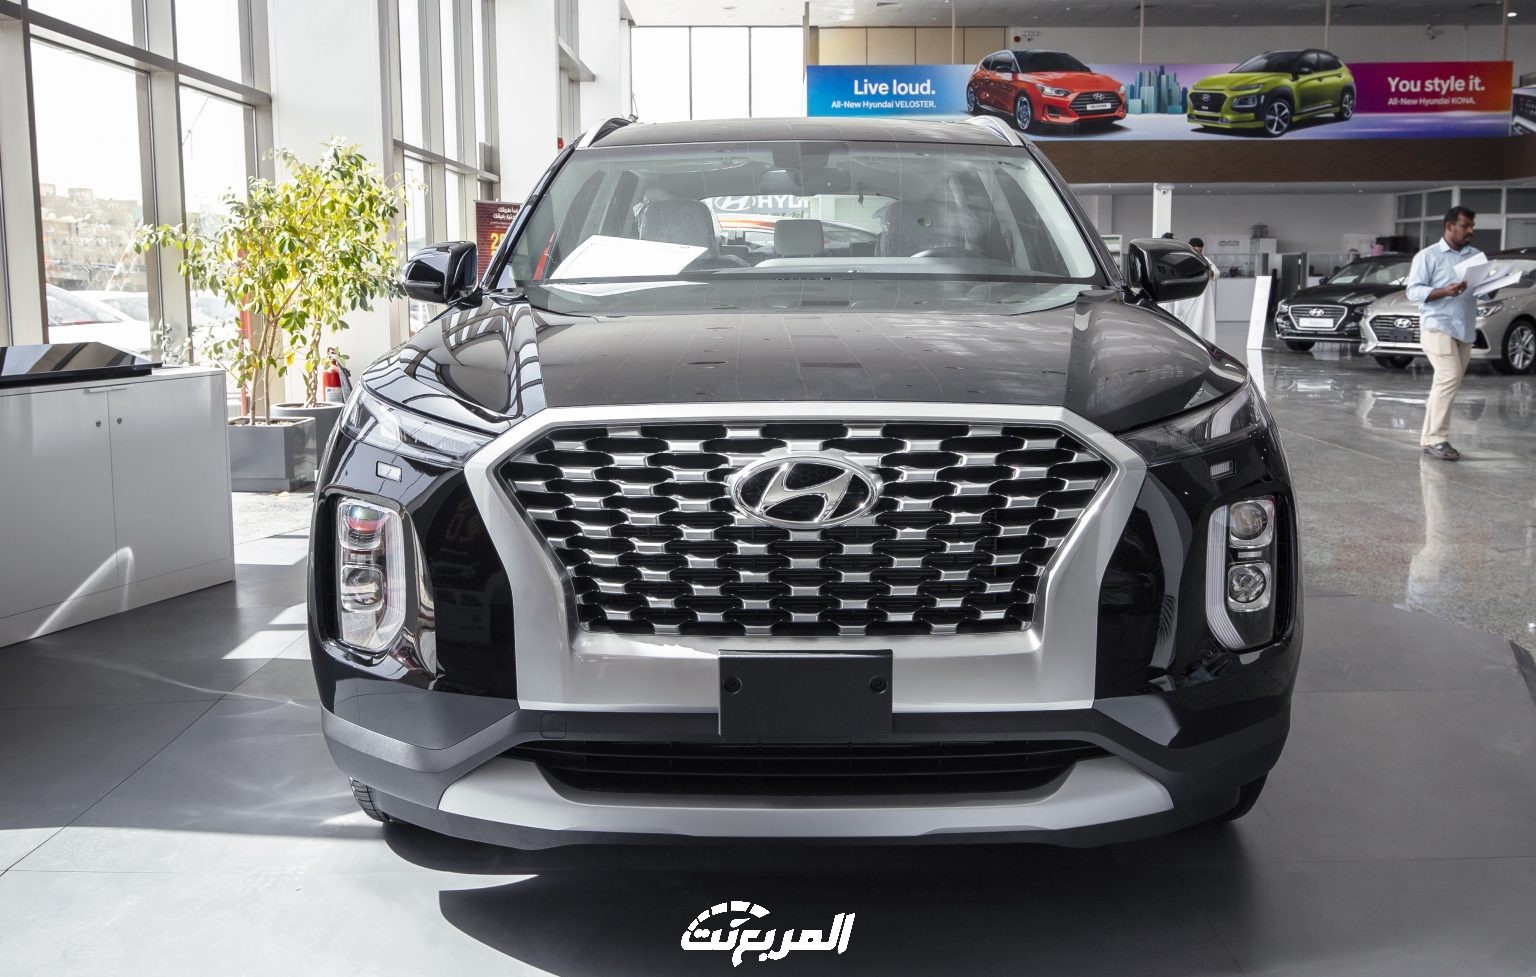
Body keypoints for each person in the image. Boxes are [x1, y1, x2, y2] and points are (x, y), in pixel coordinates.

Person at [1405, 206, 1480, 461]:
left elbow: (1482, 288)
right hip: (1437, 326)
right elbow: (1413, 291)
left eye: (1472, 226)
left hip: (1464, 328)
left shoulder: (1475, 256)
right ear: (1449, 227)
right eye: (1465, 226)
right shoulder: (1428, 256)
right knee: (1448, 378)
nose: (1470, 231)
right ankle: (1437, 439)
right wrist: (1444, 292)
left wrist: (1493, 285)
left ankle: (1430, 438)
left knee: (1448, 383)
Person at [1163, 235, 1218, 342]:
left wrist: (1209, 270)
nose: (1199, 253)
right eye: (1196, 250)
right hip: (1188, 301)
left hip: (1203, 302)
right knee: (1188, 327)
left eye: (1200, 250)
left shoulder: (1206, 260)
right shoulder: (1183, 261)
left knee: (1204, 327)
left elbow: (1216, 274)